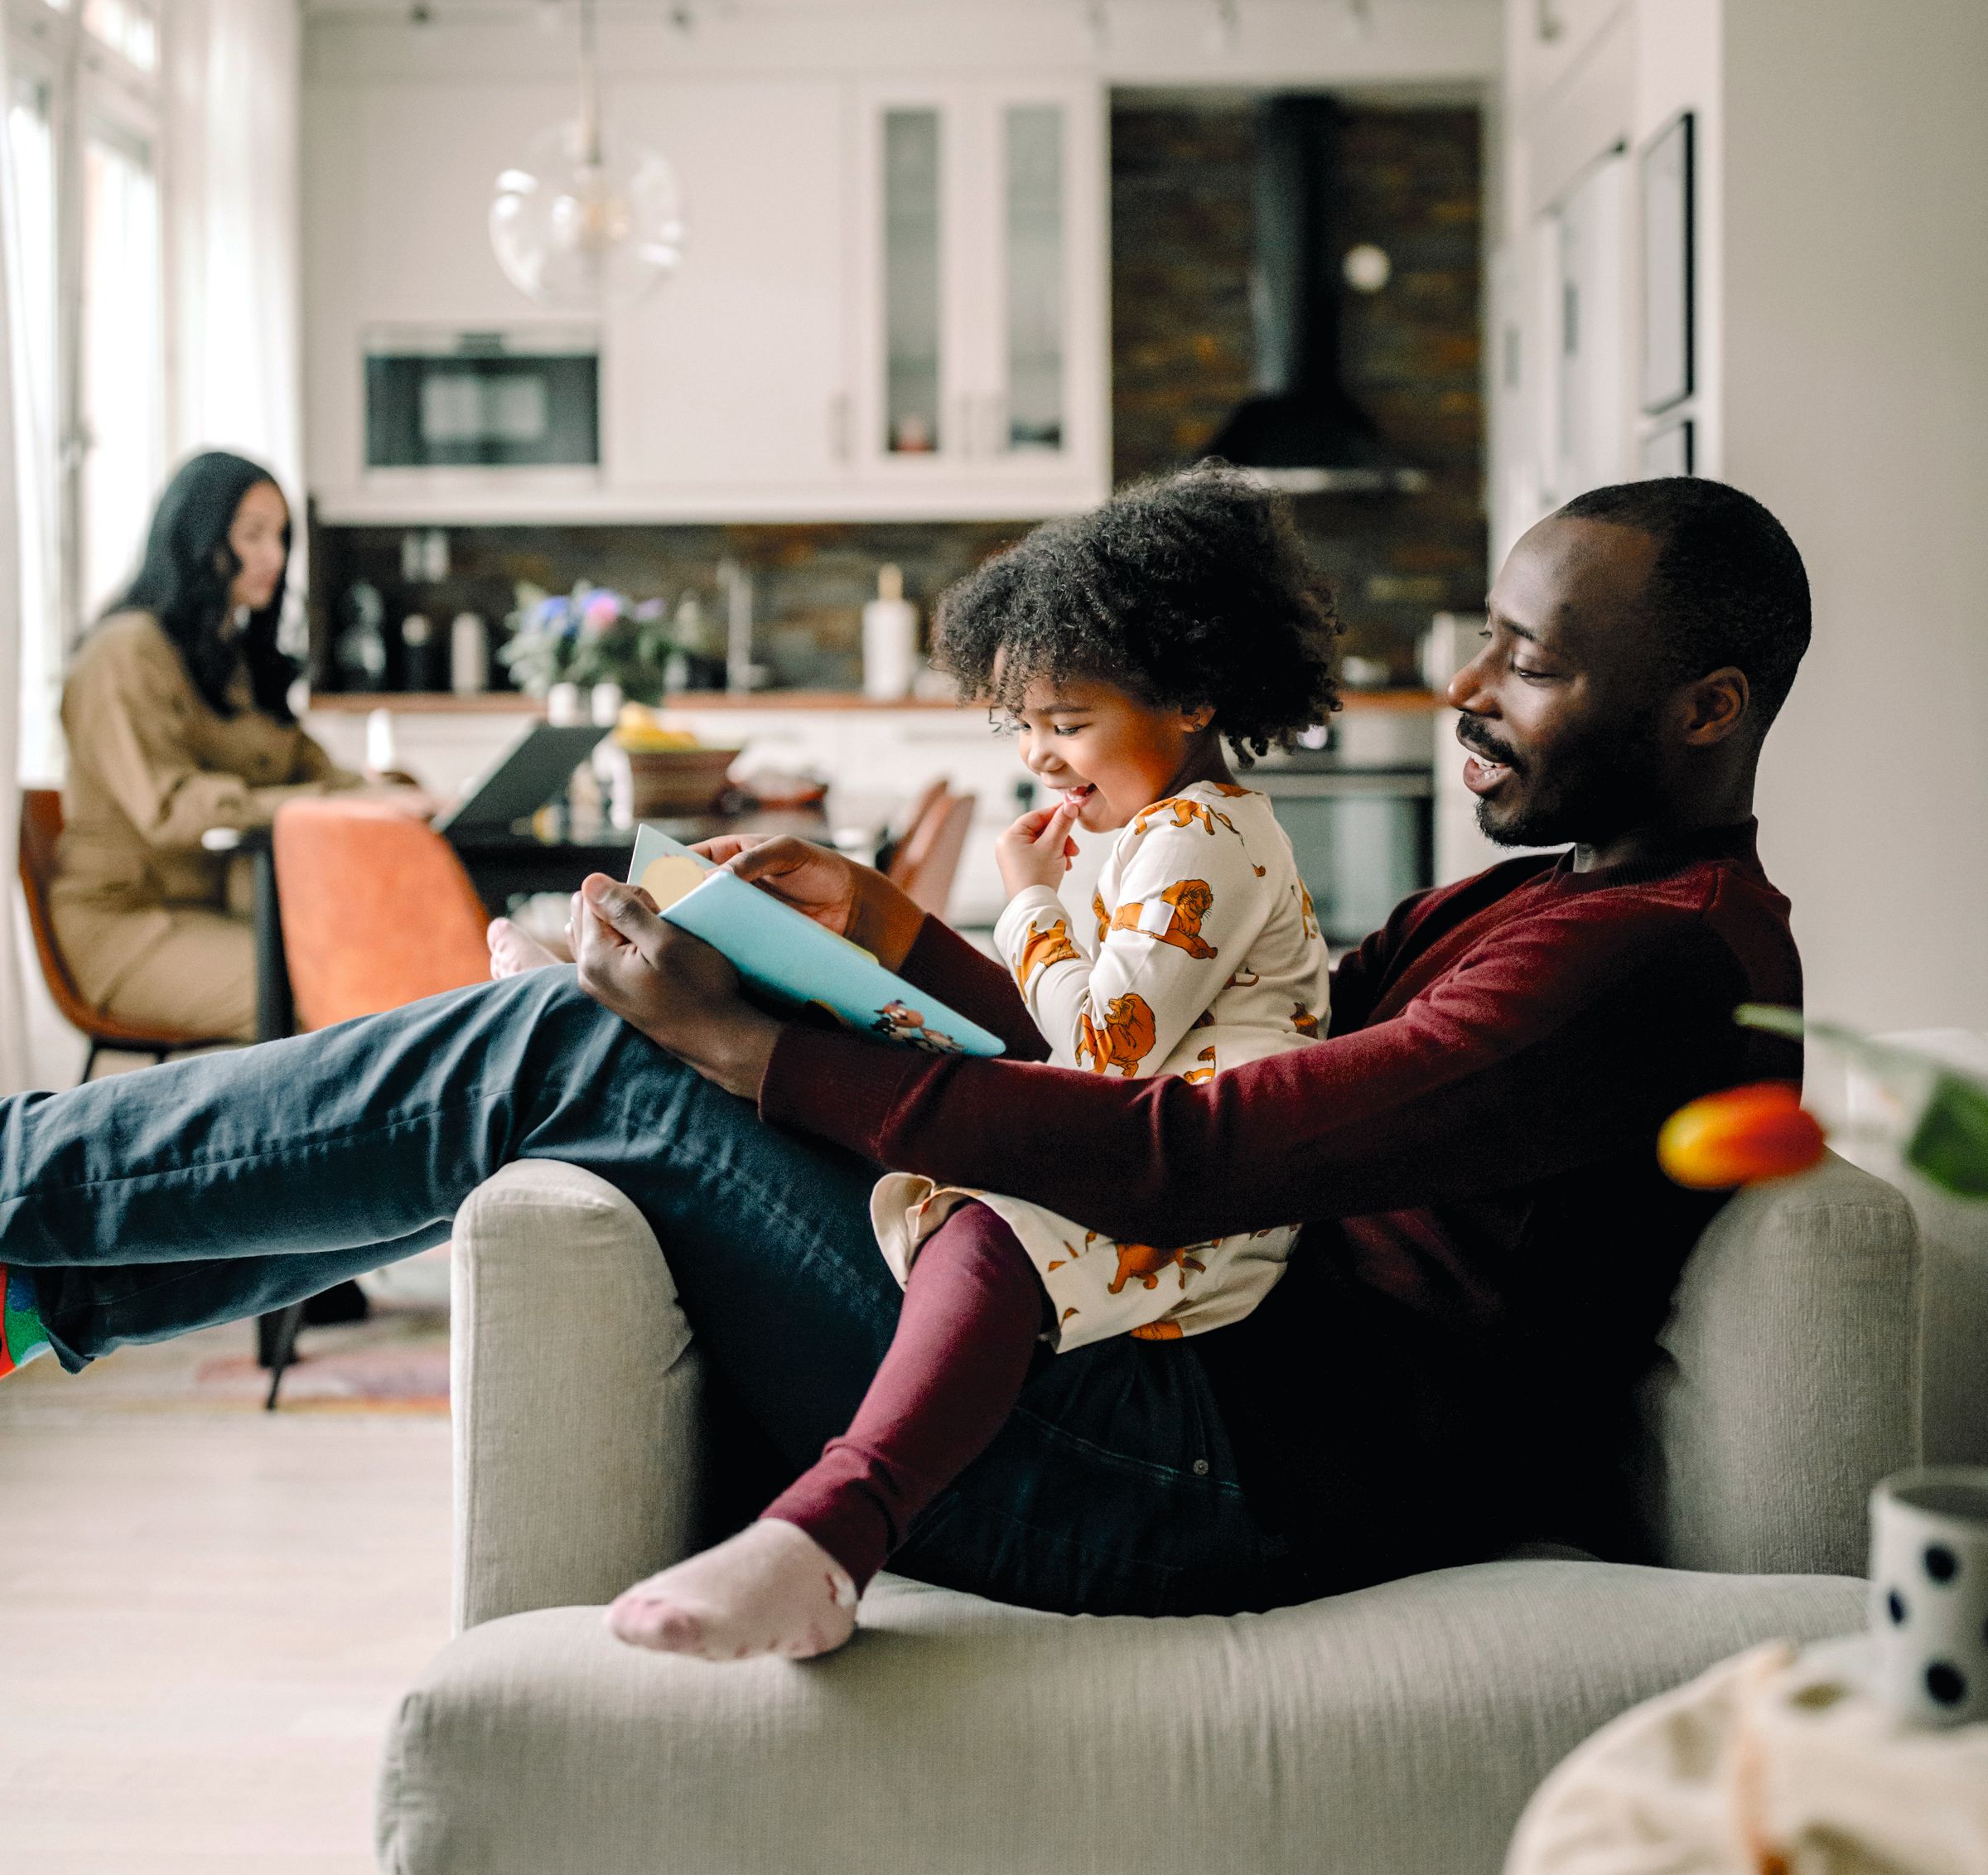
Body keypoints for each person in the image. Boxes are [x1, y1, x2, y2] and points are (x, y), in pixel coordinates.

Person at [0, 479, 1807, 1644]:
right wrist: (887, 940)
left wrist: (746, 1041)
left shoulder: (1635, 970)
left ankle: (24, 1204)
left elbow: (1195, 1152)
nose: (1475, 687)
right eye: (1485, 638)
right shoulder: (1576, 904)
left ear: (1704, 706)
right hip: (1176, 1372)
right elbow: (1137, 1063)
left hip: (1198, 1468)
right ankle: (32, 1270)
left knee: (593, 1045)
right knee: (616, 1039)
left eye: (1532, 663)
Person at [605, 470, 1339, 1660]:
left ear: (1193, 695)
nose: (1045, 759)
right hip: (1150, 1148)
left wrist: (1031, 904)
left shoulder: (1202, 836)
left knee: (987, 1230)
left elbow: (1107, 1040)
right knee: (896, 1127)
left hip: (1201, 1206)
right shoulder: (1158, 831)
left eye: (1070, 722)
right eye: (1026, 728)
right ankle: (589, 995)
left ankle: (833, 1540)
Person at [51, 452, 370, 1047]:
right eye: (252, 535)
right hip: (130, 928)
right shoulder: (126, 653)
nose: (274, 558)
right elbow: (170, 809)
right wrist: (321, 803)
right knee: (326, 994)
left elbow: (310, 767)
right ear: (196, 537)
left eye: (280, 537)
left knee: (380, 962)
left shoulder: (230, 660)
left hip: (222, 913)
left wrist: (392, 792)